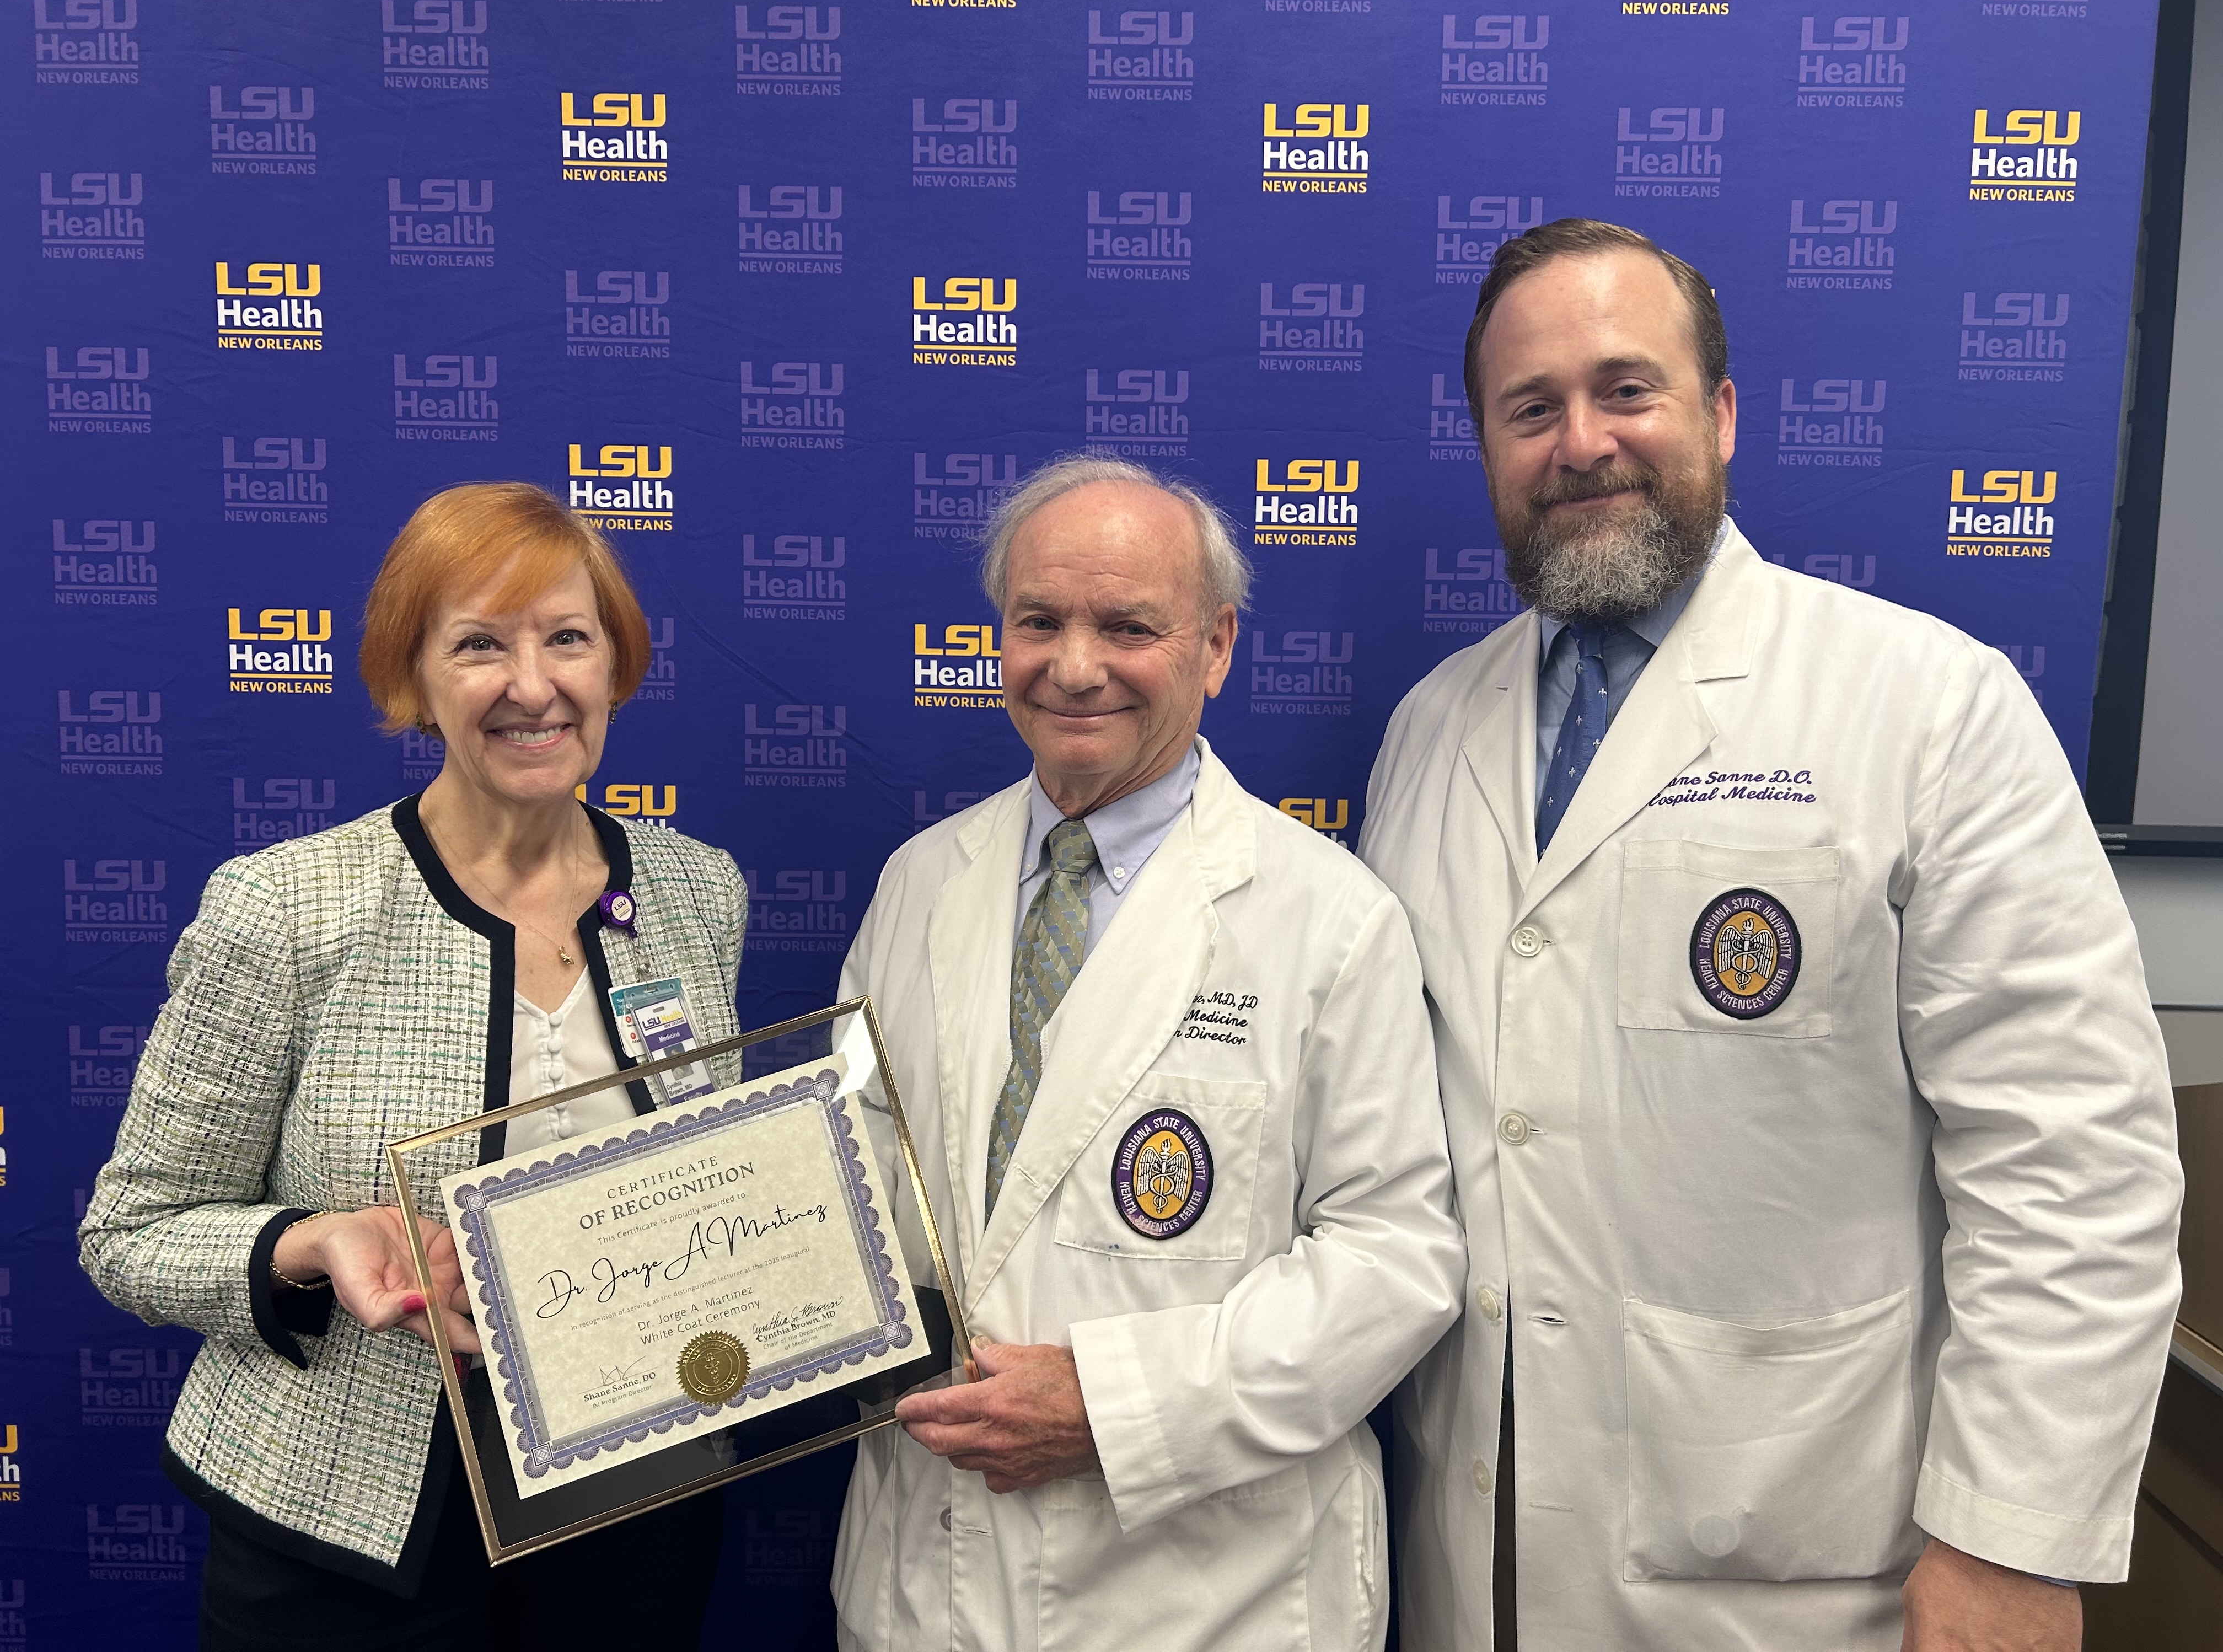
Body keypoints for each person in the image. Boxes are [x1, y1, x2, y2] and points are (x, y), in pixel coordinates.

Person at [1360, 216, 2184, 1651]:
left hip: (1805, 1554)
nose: (1582, 442)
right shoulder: (1432, 731)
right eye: (1531, 408)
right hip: (1475, 1534)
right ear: (1486, 443)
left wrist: (2012, 1538)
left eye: (1629, 389)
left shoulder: (1927, 705)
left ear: (1722, 415)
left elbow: (2073, 1158)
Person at [79, 483, 747, 1650]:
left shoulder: (698, 893)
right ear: (415, 679)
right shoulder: (286, 909)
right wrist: (309, 1242)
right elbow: (130, 1234)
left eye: (568, 639)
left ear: (616, 665)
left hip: (631, 1501)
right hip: (345, 1521)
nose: (532, 685)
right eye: (480, 643)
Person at [830, 453, 1464, 1651]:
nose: (1075, 666)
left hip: (1204, 1597)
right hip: (930, 1584)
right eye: (1039, 622)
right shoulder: (918, 888)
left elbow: (1396, 1258)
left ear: (1215, 647)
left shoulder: (1326, 916)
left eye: (1128, 625)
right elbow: (841, 1193)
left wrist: (1115, 1409)